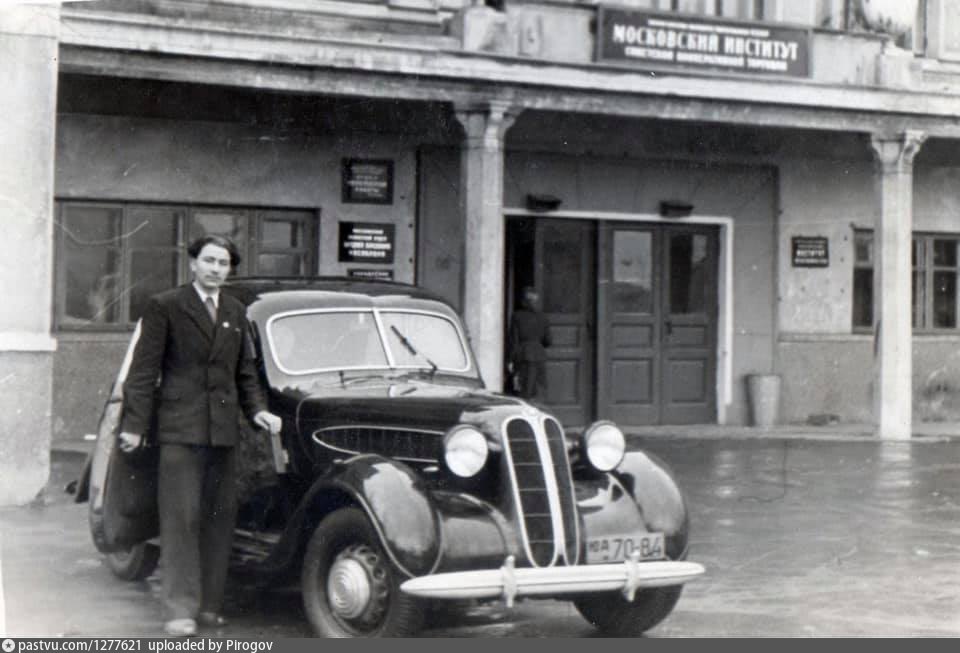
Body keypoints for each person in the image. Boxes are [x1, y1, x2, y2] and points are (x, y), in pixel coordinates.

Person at [117, 235, 282, 637]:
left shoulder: (235, 310)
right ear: (193, 263)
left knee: (218, 520)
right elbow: (143, 373)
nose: (216, 269)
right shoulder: (166, 305)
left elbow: (244, 372)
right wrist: (134, 426)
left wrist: (258, 411)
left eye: (223, 263)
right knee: (181, 521)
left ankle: (209, 605)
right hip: (179, 431)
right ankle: (180, 608)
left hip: (223, 434)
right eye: (209, 261)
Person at [508, 286, 551, 400]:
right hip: (539, 355)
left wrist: (510, 360)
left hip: (523, 356)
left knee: (523, 390)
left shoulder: (517, 316)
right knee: (538, 390)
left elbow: (513, 340)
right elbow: (548, 341)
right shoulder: (543, 317)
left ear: (524, 301)